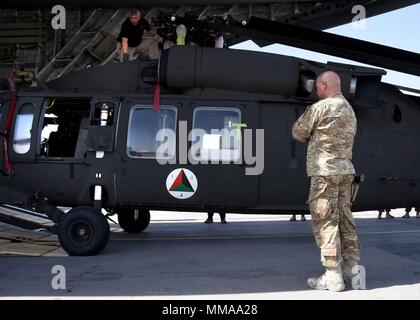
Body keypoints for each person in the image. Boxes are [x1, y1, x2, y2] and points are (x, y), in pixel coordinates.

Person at [292, 71, 361, 292]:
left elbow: (298, 132)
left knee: (326, 220)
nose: (317, 91)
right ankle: (354, 269)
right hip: (346, 172)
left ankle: (333, 276)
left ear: (324, 85)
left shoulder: (320, 108)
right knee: (345, 219)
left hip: (325, 173)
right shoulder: (349, 110)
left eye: (318, 87)